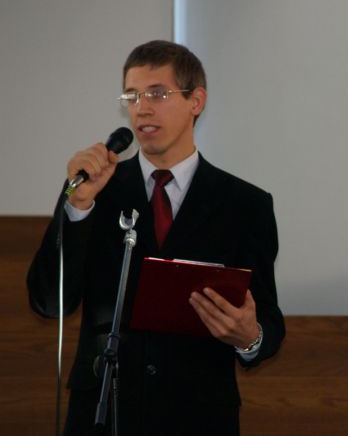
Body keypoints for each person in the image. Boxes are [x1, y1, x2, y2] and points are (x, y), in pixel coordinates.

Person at [27, 40, 285, 436]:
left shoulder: (245, 204)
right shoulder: (93, 190)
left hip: (198, 417)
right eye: (131, 96)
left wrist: (250, 337)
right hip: (103, 414)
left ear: (196, 101)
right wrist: (77, 207)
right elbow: (48, 303)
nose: (141, 108)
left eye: (157, 94)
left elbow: (266, 319)